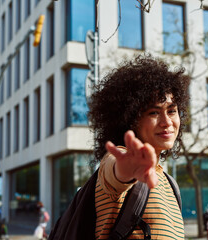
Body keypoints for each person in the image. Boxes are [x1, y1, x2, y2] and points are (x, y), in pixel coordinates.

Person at [87, 54, 190, 239]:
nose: (167, 122)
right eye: (153, 112)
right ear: (130, 119)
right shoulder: (118, 159)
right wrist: (127, 171)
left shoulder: (170, 183)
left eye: (172, 111)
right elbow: (115, 173)